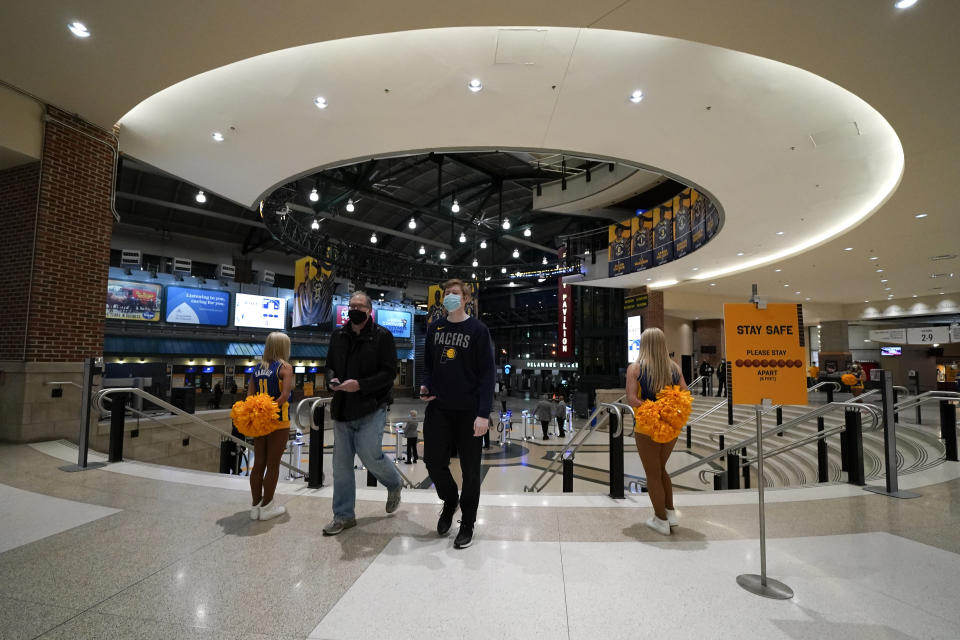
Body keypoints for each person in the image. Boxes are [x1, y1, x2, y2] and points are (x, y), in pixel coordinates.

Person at [420, 279, 495, 550]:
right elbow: (428, 366)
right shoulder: (434, 328)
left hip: (469, 412)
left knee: (470, 472)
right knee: (432, 462)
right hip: (438, 408)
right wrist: (426, 385)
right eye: (446, 294)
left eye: (455, 294)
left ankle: (467, 523)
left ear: (466, 299)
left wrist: (483, 414)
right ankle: (450, 501)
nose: (450, 297)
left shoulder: (477, 330)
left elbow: (488, 374)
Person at [322, 291, 404, 536]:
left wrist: (361, 385)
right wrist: (331, 380)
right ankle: (343, 516)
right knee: (341, 466)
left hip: (371, 406)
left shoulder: (382, 337)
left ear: (370, 311)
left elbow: (389, 373)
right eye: (352, 305)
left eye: (360, 306)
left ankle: (394, 483)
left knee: (370, 456)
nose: (355, 309)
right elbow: (329, 366)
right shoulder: (338, 336)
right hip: (343, 409)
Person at [626, 327, 688, 536]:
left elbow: (632, 398)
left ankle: (660, 519)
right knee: (661, 470)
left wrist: (653, 410)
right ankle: (670, 514)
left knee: (652, 474)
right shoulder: (674, 368)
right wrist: (666, 410)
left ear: (644, 344)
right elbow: (685, 393)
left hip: (647, 427)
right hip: (671, 426)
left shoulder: (635, 368)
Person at [247, 332, 294, 521]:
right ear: (284, 347)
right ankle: (267, 507)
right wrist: (271, 409)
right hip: (278, 422)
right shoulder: (285, 368)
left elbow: (250, 397)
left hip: (259, 423)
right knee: (273, 465)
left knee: (258, 464)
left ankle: (255, 506)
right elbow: (284, 396)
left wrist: (260, 411)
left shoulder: (257, 369)